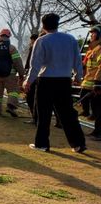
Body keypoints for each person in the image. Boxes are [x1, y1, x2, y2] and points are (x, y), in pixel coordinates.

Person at [23, 13, 86, 153]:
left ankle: (42, 144)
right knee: (67, 113)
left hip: (46, 81)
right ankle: (78, 143)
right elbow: (77, 60)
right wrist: (78, 76)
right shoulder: (70, 39)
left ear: (43, 25)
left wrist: (28, 81)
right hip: (64, 80)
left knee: (43, 114)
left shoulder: (42, 41)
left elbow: (36, 65)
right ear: (57, 24)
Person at [80, 24, 101, 140]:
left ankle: (98, 132)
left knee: (98, 108)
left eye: (94, 33)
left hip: (97, 83)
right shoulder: (92, 49)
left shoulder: (100, 49)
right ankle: (89, 115)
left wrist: (98, 83)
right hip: (89, 81)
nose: (91, 35)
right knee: (88, 102)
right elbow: (85, 65)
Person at [23, 32, 40, 123]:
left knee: (30, 97)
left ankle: (35, 118)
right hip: (41, 77)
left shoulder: (35, 48)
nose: (30, 43)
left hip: (35, 77)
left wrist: (27, 78)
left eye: (32, 41)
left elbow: (31, 64)